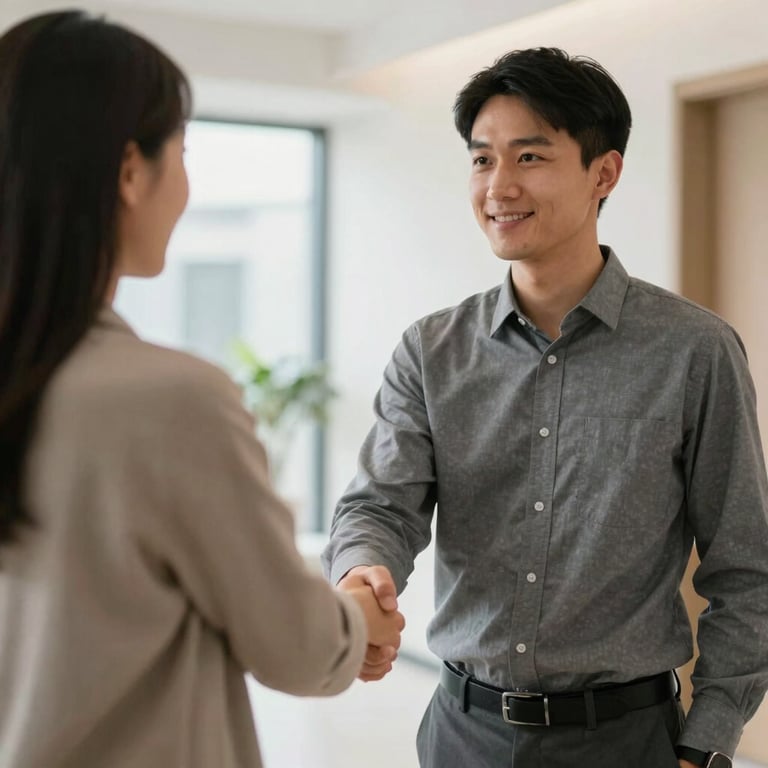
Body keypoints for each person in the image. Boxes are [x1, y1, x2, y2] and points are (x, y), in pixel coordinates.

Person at [323, 47, 768, 768]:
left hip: (628, 741)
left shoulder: (695, 351)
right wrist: (362, 573)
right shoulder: (431, 350)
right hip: (461, 732)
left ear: (604, 173)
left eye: (529, 157)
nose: (499, 186)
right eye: (481, 159)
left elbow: (747, 568)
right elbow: (380, 506)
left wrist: (705, 744)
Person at [0, 10, 404, 768]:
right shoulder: (166, 399)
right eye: (181, 153)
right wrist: (358, 617)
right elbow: (296, 646)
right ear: (128, 171)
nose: (185, 185)